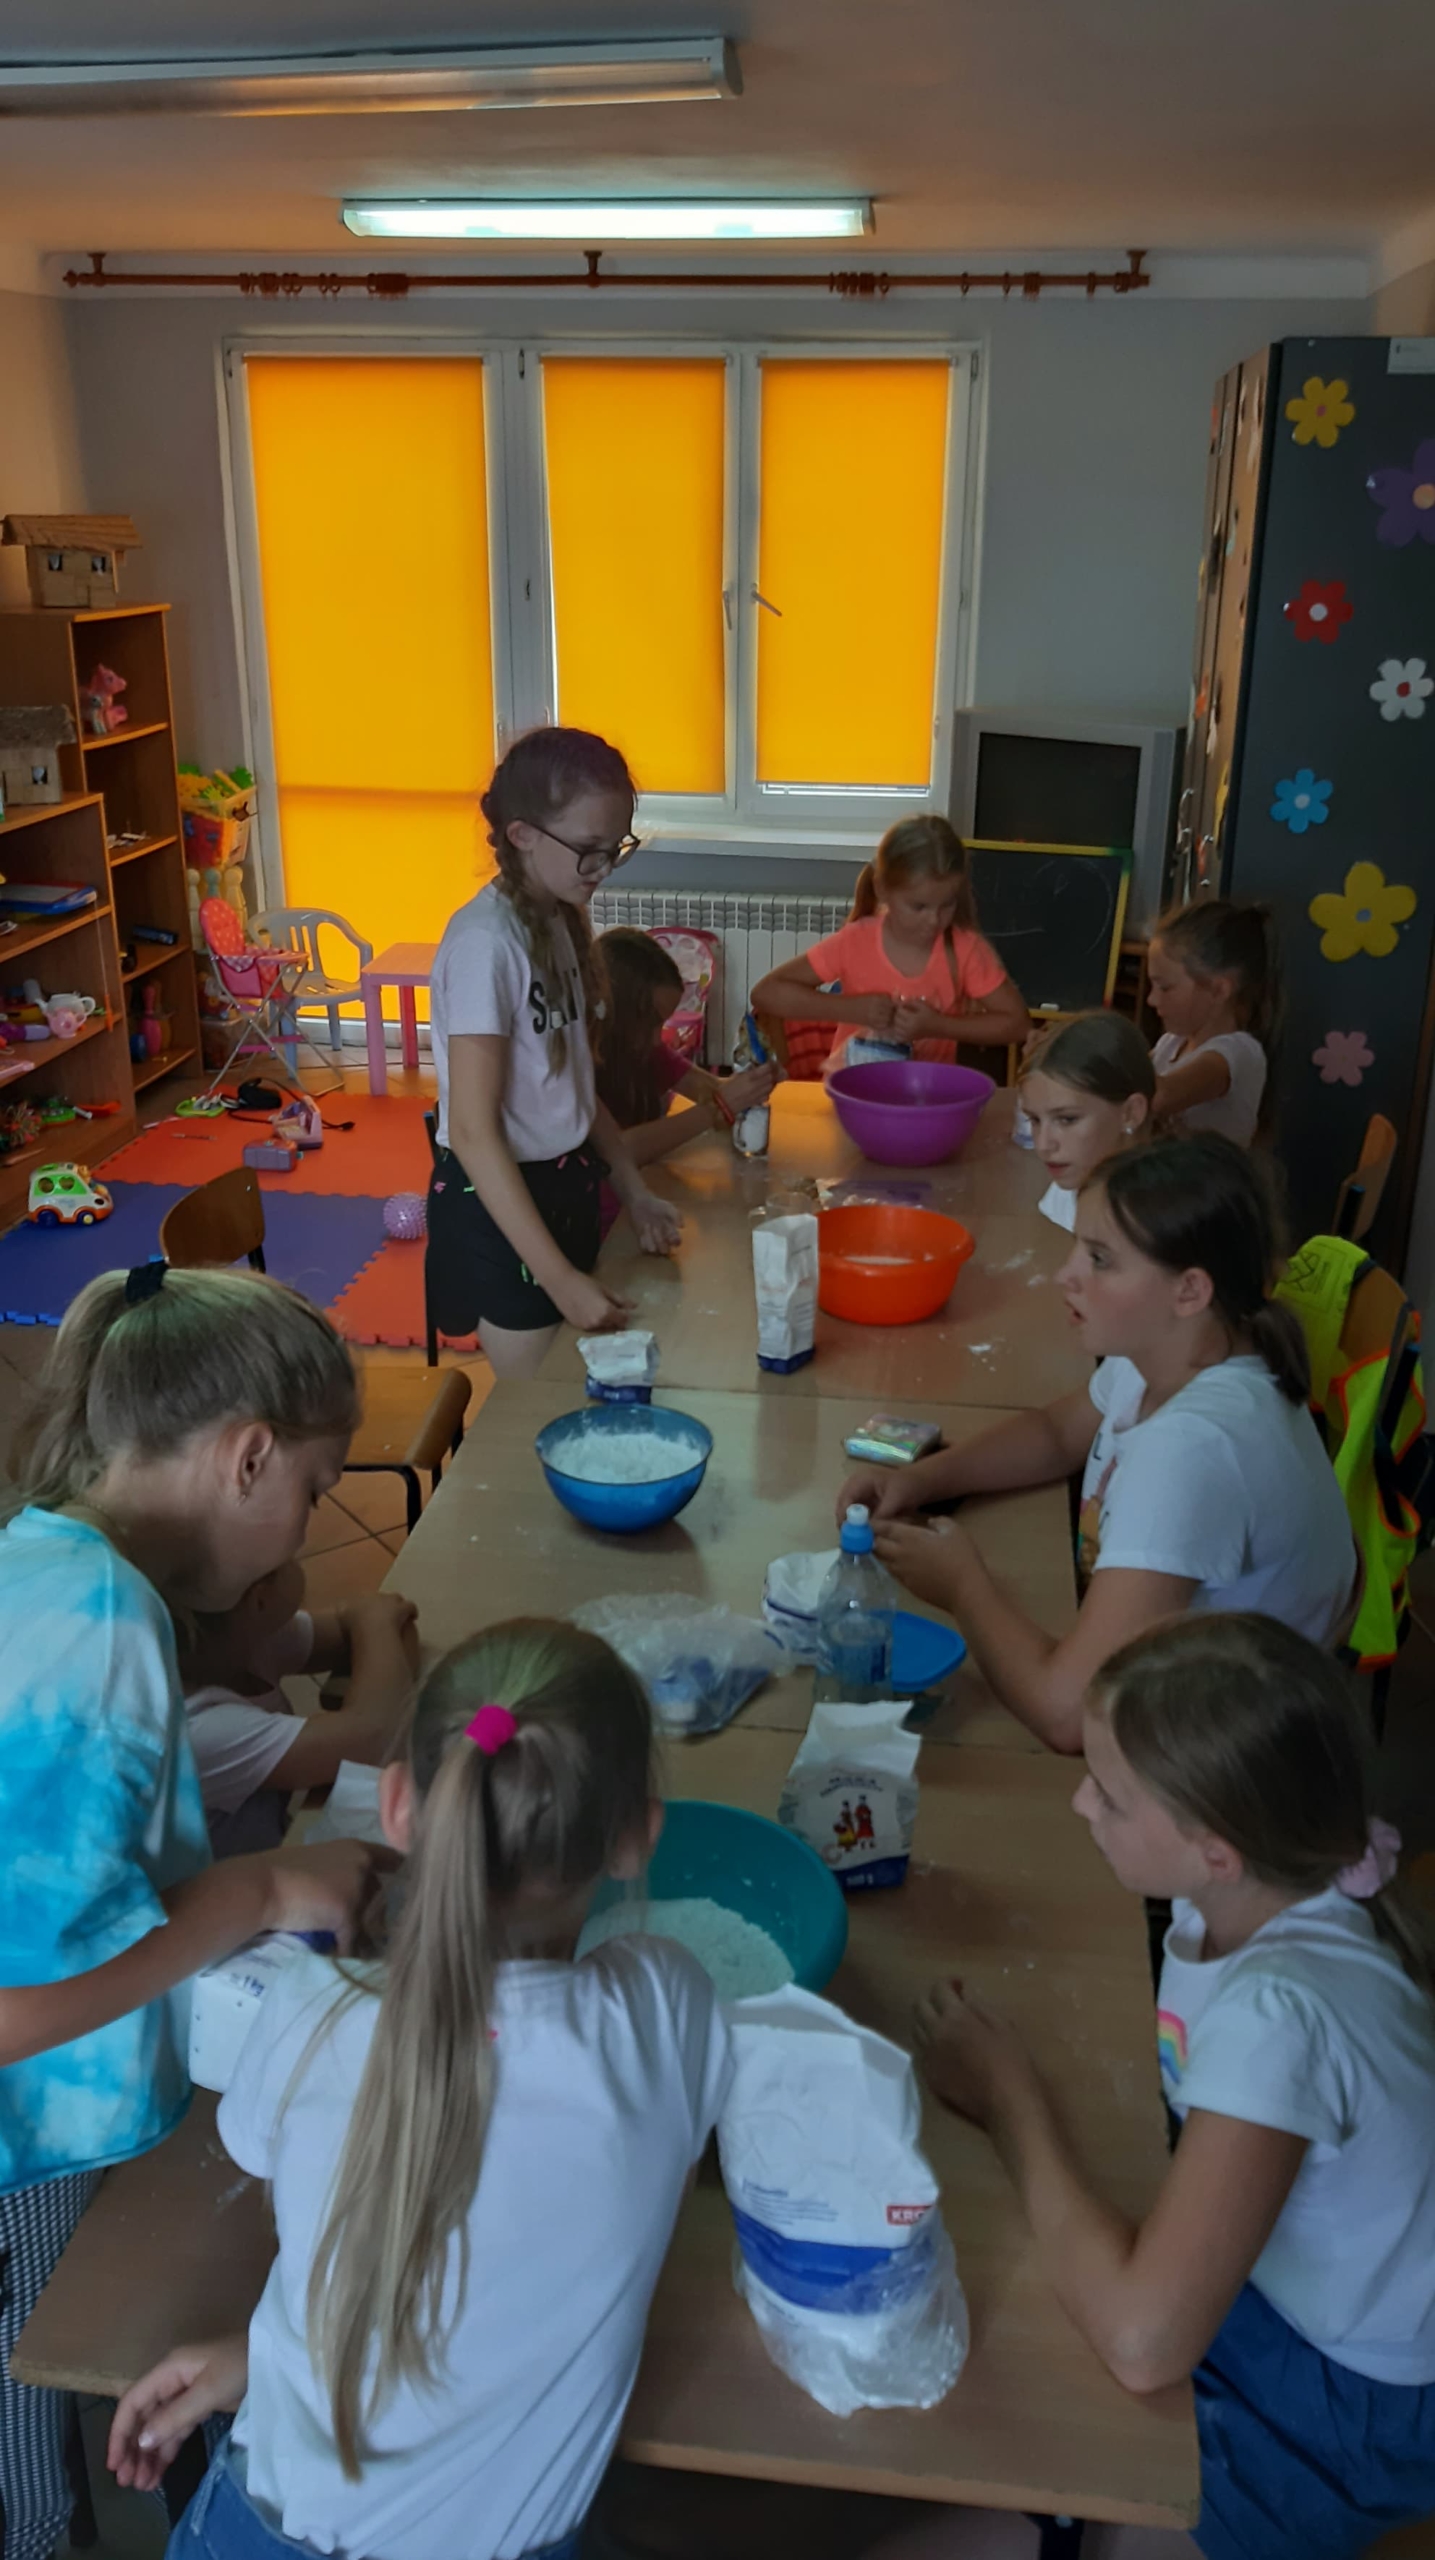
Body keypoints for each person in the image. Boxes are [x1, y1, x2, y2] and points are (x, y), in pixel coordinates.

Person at [107, 1619, 733, 2560]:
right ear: (636, 1839)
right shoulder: (665, 2008)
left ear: (397, 1806)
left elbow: (391, 2233)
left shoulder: (313, 2011)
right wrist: (265, 2357)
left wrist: (271, 2357)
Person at [0, 1264, 387, 2560]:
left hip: (59, 2109)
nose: (306, 1527)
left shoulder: (62, 1556)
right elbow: (9, 2010)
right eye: (314, 1491)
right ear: (247, 1456)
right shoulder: (101, 1627)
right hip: (23, 2143)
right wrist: (259, 1889)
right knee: (34, 2401)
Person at [911, 1614, 1435, 2560]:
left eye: (1109, 1796)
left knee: (1045, 2446)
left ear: (1214, 1851)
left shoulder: (1276, 2018)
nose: (1080, 1804)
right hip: (1284, 2310)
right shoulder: (1257, 1896)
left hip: (1349, 2409)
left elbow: (1142, 2343)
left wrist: (1007, 2099)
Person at [838, 1136, 1355, 1752]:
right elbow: (1058, 1433)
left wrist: (964, 1588)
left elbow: (1069, 1717)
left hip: (1231, 1752)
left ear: (1190, 1290)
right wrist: (924, 1479)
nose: (1067, 1274)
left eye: (1101, 1259)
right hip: (1195, 1680)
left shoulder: (1191, 1448)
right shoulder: (1186, 1345)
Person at [426, 728, 683, 1380]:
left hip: (564, 1185)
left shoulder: (556, 919)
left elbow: (572, 1090)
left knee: (575, 1389)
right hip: (499, 1202)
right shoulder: (486, 944)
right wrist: (559, 1278)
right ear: (522, 835)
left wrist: (634, 1190)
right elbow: (471, 1131)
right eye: (589, 851)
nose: (604, 868)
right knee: (538, 1407)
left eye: (615, 848)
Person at [749, 814, 1030, 1071]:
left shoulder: (966, 950)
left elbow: (1017, 1024)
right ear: (883, 889)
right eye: (918, 906)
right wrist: (851, 1009)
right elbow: (766, 993)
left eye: (947, 904)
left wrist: (938, 1025)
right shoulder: (855, 941)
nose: (934, 920)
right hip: (854, 1094)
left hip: (926, 1096)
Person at [180, 1564, 419, 1856]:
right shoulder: (199, 1728)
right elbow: (378, 1737)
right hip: (239, 1876)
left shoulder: (234, 1637)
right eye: (289, 1558)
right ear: (260, 1599)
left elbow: (396, 1631)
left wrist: (378, 1630)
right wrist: (377, 1626)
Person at [593, 927, 776, 1211]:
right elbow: (620, 1150)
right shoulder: (581, 1067)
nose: (658, 1038)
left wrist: (755, 1080)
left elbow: (709, 1089)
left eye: (663, 1023)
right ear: (616, 1014)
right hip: (604, 1215)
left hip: (647, 1198)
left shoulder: (646, 1052)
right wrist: (721, 1107)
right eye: (651, 1023)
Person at [1146, 899, 1278, 1146]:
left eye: (1164, 987)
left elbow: (1159, 1097)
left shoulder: (1239, 1052)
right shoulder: (1170, 1043)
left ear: (1219, 990)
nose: (1151, 999)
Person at [1018, 1011, 1156, 1233]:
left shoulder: (1164, 1224)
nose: (1043, 1145)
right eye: (1034, 1120)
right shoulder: (1069, 1189)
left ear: (1131, 1113)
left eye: (1067, 1119)